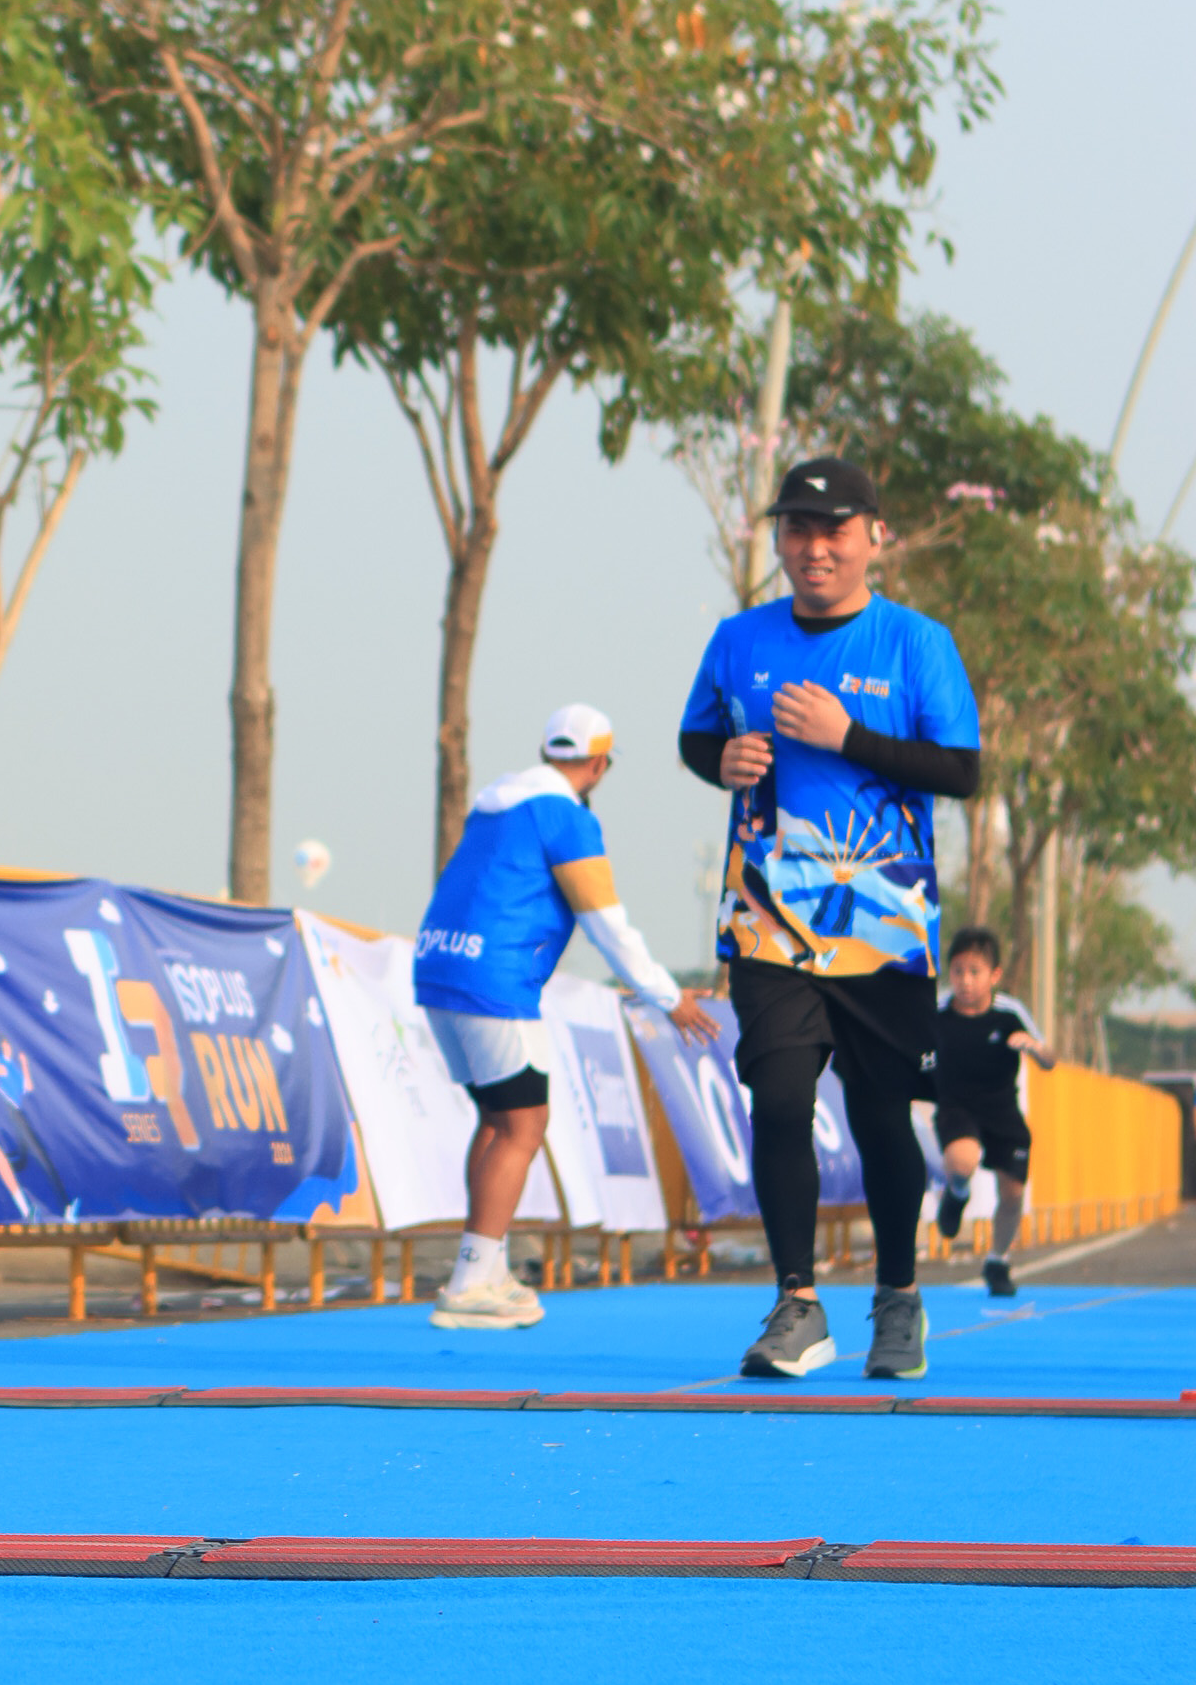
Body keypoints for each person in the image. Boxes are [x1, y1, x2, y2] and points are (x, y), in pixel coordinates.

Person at [679, 457, 981, 1382]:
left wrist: (847, 737)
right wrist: (721, 760)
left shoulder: (917, 643)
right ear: (778, 537)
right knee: (778, 1099)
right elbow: (696, 736)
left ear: (874, 537)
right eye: (798, 529)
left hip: (884, 922)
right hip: (767, 916)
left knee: (884, 1117)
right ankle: (797, 1304)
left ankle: (898, 1296)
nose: (815, 548)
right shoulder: (739, 638)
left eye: (835, 530)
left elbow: (960, 771)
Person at [413, 703, 716, 1329]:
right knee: (524, 1125)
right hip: (495, 981)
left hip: (439, 968)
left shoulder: (496, 804)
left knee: (499, 1119)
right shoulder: (566, 816)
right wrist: (667, 994)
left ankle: (485, 1268)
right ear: (599, 765)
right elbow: (604, 920)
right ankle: (470, 1281)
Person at [931, 924, 1051, 1299]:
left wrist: (1033, 1047)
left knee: (1013, 1192)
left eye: (975, 972)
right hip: (955, 1106)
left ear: (994, 975)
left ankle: (998, 1260)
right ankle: (957, 1192)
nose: (965, 981)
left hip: (1001, 1109)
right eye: (958, 971)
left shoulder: (1010, 1012)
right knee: (962, 1159)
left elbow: (1049, 1059)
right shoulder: (937, 1012)